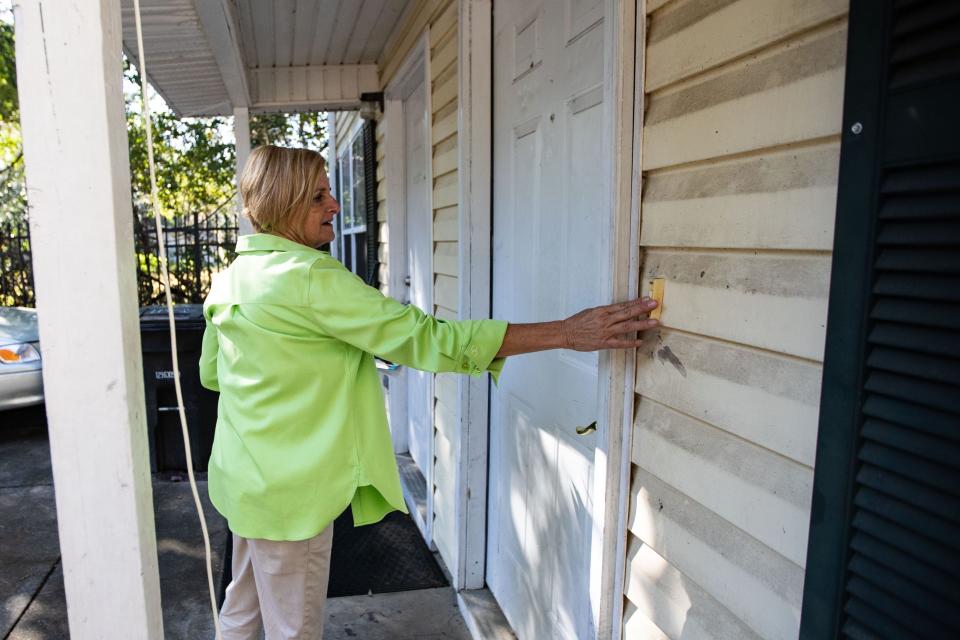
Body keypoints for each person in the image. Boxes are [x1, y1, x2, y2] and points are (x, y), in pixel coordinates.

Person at [199, 145, 659, 640]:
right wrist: (567, 333)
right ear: (285, 205)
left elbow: (213, 374)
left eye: (330, 191)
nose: (334, 205)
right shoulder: (311, 278)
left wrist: (312, 362)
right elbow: (432, 340)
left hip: (243, 482)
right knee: (294, 631)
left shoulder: (231, 279)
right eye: (318, 197)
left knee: (241, 612)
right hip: (291, 497)